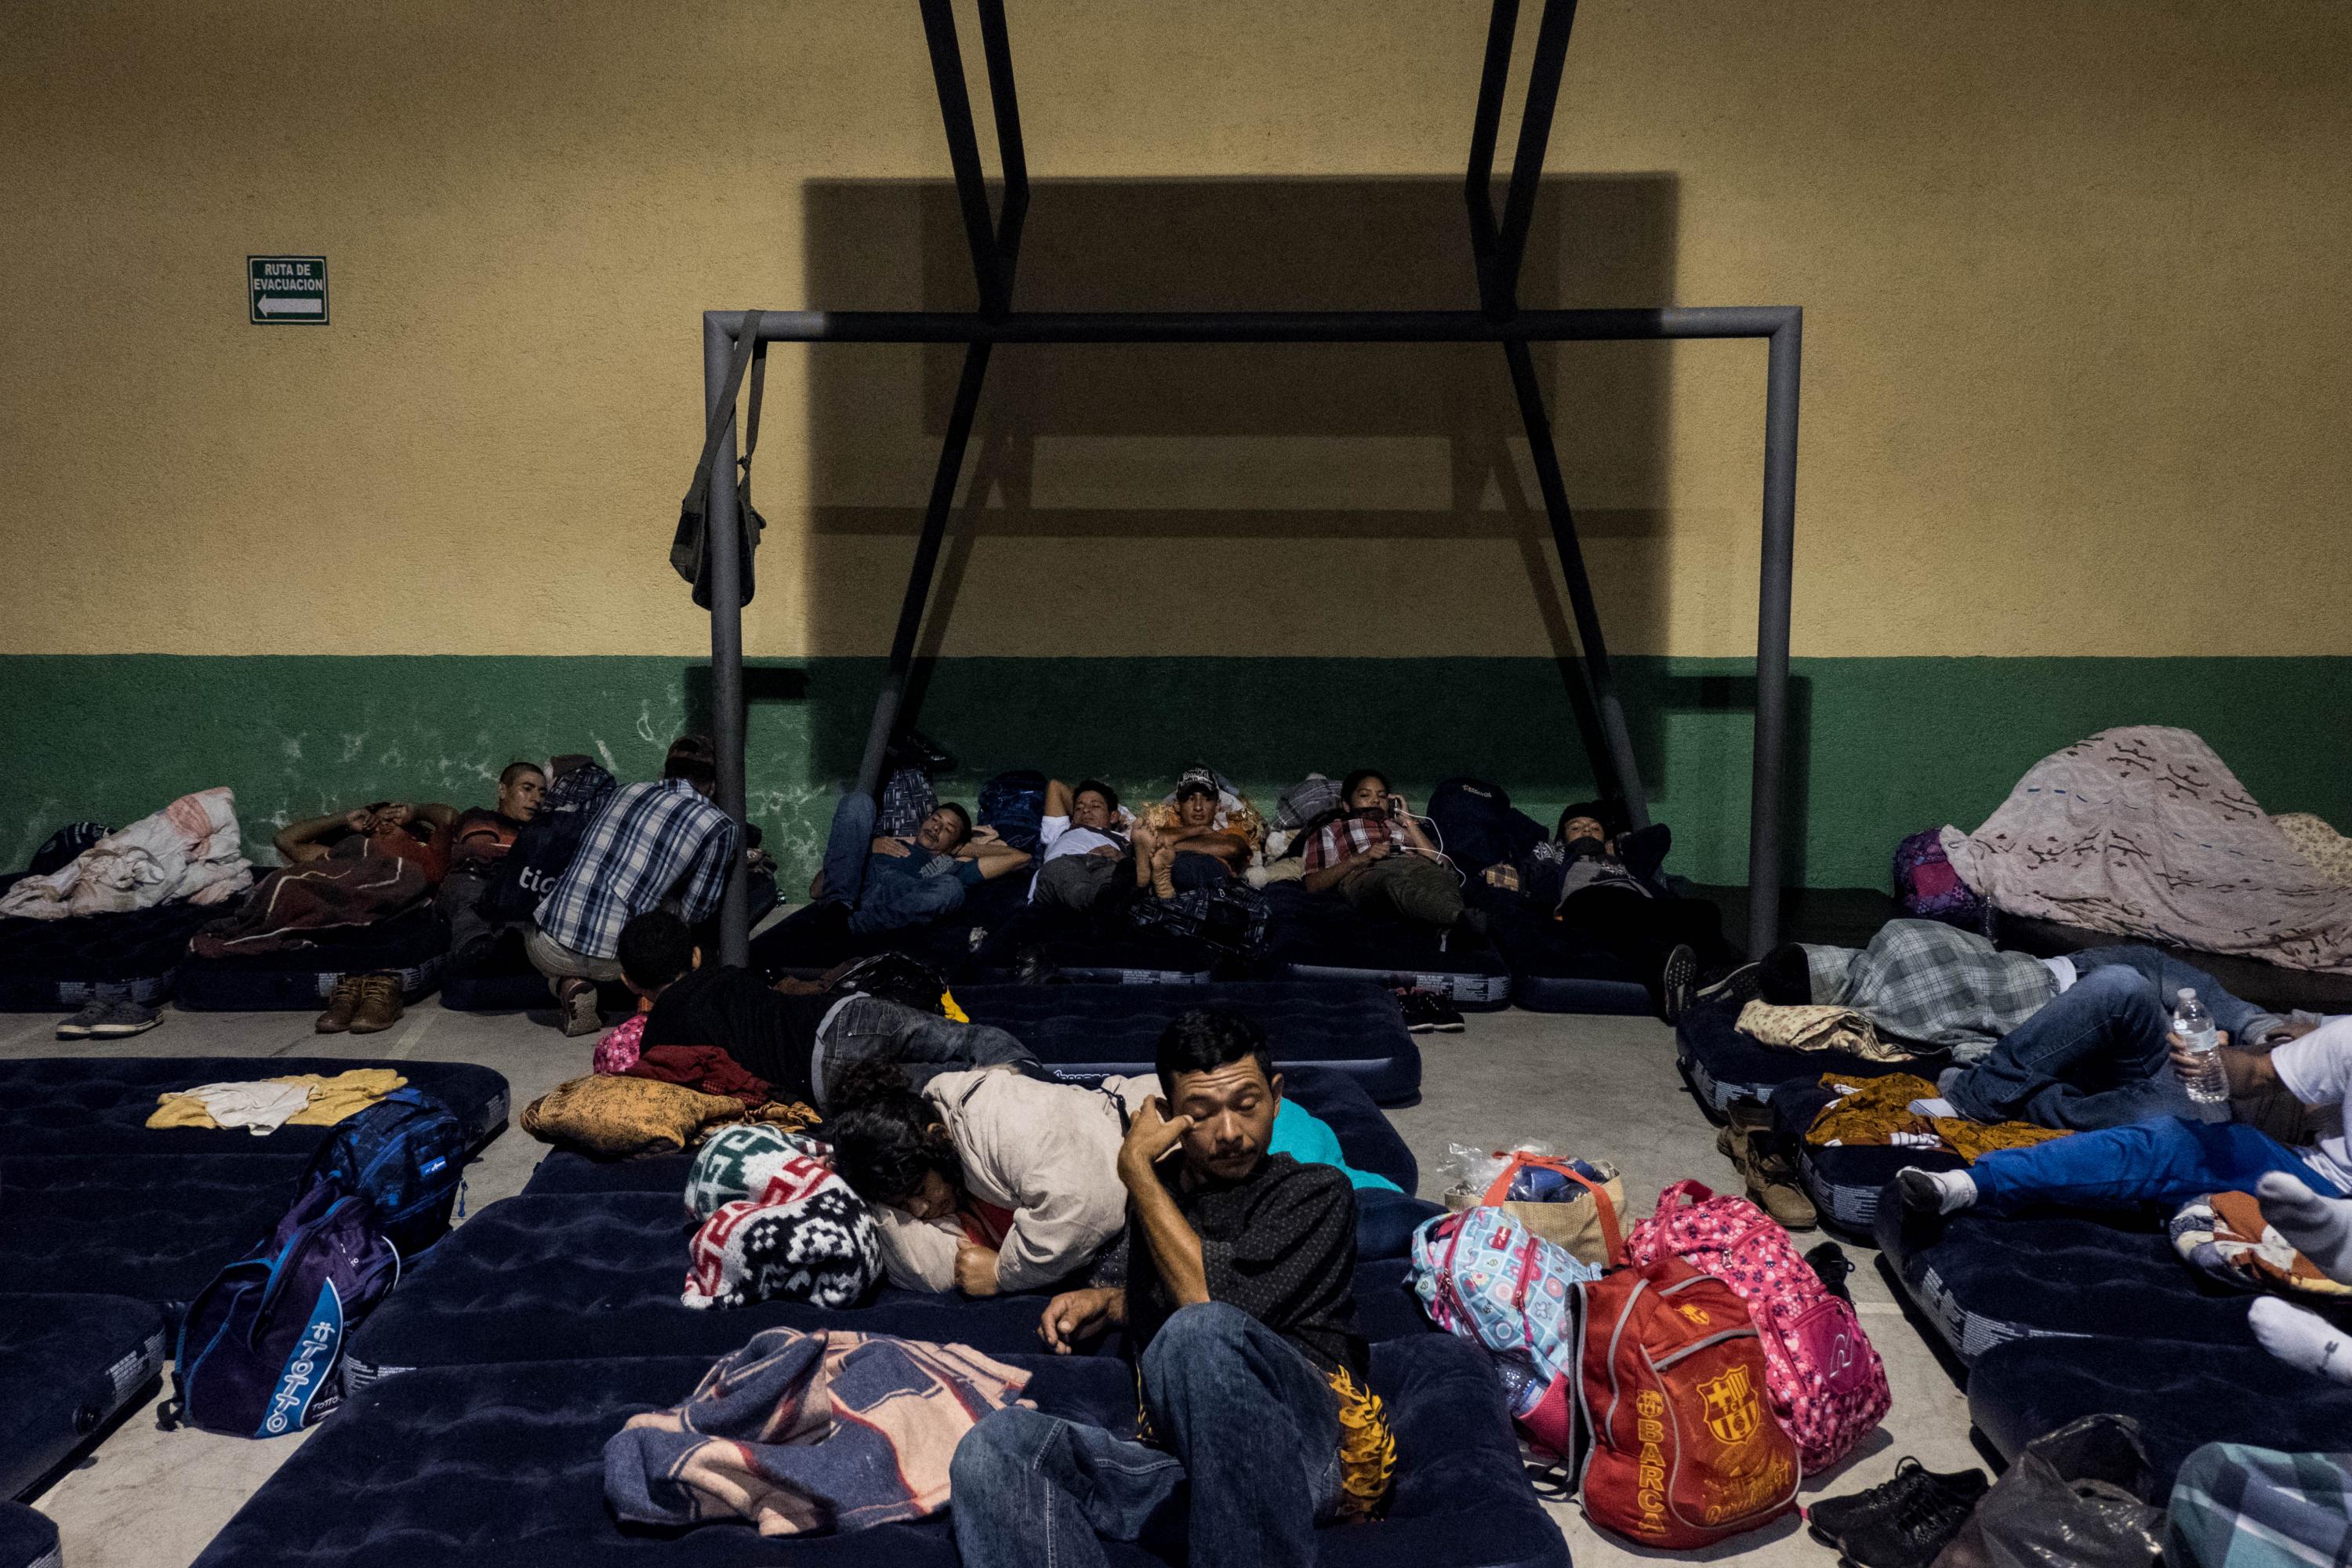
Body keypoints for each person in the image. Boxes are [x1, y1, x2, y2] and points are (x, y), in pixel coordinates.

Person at [949, 1009, 1393, 1566]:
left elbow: (1206, 1308)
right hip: (1189, 1465)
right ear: (1167, 1116)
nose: (1229, 1132)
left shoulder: (1315, 1193)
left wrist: (1136, 1169)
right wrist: (1115, 1305)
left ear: (1276, 1097)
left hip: (1305, 1454)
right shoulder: (1164, 1203)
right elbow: (1190, 1303)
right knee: (996, 1448)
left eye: (1247, 1105)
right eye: (1201, 1114)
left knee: (1199, 1332)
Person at [827, 1046, 1414, 1299]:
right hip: (1193, 1162)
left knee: (1352, 1219)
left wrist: (1003, 1276)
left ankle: (1469, 1226)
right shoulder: (930, 1139)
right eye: (903, 1207)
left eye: (919, 1195)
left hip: (1218, 1140)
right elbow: (923, 1257)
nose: (921, 1212)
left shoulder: (999, 1123)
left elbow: (1091, 1201)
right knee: (1352, 1197)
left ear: (934, 1141)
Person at [1895, 1012, 2352, 1222]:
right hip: (2315, 1179)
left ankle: (2197, 1214)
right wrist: (2212, 1060)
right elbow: (2257, 1072)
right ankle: (1970, 1185)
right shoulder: (2346, 1037)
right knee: (2173, 1143)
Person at [615, 911, 1040, 1108]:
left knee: (945, 1083)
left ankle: (1002, 1095)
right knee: (966, 1038)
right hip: (848, 1013)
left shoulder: (661, 1037)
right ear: (694, 957)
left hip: (823, 1074)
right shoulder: (728, 976)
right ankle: (1033, 1076)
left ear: (629, 982)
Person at [529, 738, 739, 1036]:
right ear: (713, 785)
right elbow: (698, 910)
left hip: (549, 948)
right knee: (670, 904)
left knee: (539, 925)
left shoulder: (624, 790)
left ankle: (567, 984)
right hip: (623, 959)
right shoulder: (719, 825)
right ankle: (653, 993)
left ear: (664, 773)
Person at [806, 792, 1031, 937]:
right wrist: (866, 847)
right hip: (855, 891)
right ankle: (836, 910)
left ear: (956, 843)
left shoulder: (951, 865)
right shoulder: (882, 842)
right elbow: (817, 889)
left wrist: (961, 848)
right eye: (935, 820)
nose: (936, 828)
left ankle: (847, 929)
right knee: (858, 801)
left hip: (897, 899)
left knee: (951, 888)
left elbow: (1020, 858)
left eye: (948, 830)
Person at [1299, 768, 1482, 936]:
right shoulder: (1331, 829)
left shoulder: (1400, 827)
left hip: (1414, 865)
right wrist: (1359, 858)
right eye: (1364, 795)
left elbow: (1441, 862)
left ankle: (1454, 928)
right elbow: (1313, 884)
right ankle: (1458, 920)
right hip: (1367, 872)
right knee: (1391, 884)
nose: (1375, 800)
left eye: (1382, 796)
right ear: (1347, 805)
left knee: (1441, 878)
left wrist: (1409, 822)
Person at [436, 760, 546, 966]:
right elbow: (481, 851)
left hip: (514, 889)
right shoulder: (481, 817)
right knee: (469, 895)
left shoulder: (540, 832)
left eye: (542, 793)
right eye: (527, 789)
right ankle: (474, 949)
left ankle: (511, 947)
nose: (536, 799)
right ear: (503, 790)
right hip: (475, 879)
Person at [1128, 768, 1258, 900]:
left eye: (1207, 799)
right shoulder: (1167, 829)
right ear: (1177, 805)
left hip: (1202, 881)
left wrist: (1170, 846)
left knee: (1190, 866)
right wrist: (1200, 830)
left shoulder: (1228, 831)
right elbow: (1148, 839)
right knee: (1126, 867)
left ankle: (1155, 888)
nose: (1198, 807)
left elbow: (1232, 849)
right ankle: (1146, 883)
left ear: (1217, 806)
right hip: (1173, 876)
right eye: (1191, 799)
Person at [274, 798, 458, 885]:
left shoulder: (429, 851)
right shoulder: (356, 857)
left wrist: (418, 811)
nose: (384, 827)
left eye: (392, 822)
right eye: (376, 826)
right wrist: (345, 818)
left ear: (413, 833)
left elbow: (450, 819)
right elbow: (285, 840)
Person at [1028, 778, 1132, 913]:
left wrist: (1122, 859)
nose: (1086, 811)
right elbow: (1055, 786)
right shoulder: (1060, 831)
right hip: (1065, 864)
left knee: (1115, 881)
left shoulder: (1126, 837)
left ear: (1113, 816)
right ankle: (1098, 907)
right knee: (1068, 875)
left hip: (1106, 864)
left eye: (1095, 806)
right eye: (1079, 808)